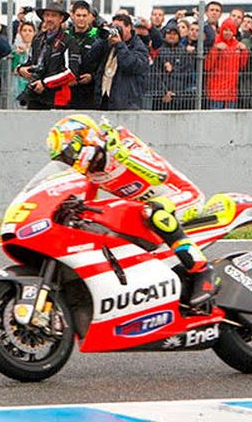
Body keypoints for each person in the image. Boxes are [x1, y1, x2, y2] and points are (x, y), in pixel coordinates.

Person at [46, 114, 217, 311]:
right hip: (143, 211)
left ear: (84, 140)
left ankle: (202, 271)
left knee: (154, 212)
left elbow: (159, 174)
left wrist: (122, 155)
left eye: (67, 155)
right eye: (62, 159)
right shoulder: (91, 173)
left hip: (181, 196)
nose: (67, 162)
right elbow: (85, 202)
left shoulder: (120, 142)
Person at [16, 2, 80, 110]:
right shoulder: (37, 39)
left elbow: (71, 73)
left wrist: (45, 83)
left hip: (57, 100)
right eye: (47, 15)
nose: (49, 19)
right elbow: (31, 62)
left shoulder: (69, 41)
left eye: (54, 15)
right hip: (35, 96)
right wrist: (21, 69)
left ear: (61, 19)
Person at [88, 14, 149, 110]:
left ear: (129, 27)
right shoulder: (108, 43)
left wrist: (120, 45)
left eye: (119, 27)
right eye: (114, 27)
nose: (117, 30)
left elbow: (129, 65)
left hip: (125, 102)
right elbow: (92, 57)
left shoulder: (138, 46)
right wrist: (103, 38)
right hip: (104, 98)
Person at [204, 18, 248, 109]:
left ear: (234, 32)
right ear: (221, 30)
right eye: (225, 30)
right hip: (216, 89)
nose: (228, 33)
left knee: (230, 118)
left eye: (230, 30)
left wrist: (244, 52)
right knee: (215, 117)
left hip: (231, 90)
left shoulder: (237, 45)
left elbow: (242, 66)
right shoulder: (215, 42)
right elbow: (207, 66)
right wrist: (215, 49)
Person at [152, 24, 195, 110]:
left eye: (174, 34)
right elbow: (154, 74)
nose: (171, 36)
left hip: (179, 96)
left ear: (178, 36)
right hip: (161, 98)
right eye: (169, 33)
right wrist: (163, 92)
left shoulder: (183, 52)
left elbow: (187, 73)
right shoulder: (159, 51)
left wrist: (173, 70)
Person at [66, 0, 98, 109]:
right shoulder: (65, 36)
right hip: (68, 89)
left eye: (84, 15)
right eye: (78, 15)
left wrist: (92, 76)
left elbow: (104, 62)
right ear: (73, 16)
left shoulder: (97, 35)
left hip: (90, 90)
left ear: (89, 16)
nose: (81, 18)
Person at [11, 21, 35, 106]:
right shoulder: (15, 50)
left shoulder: (38, 49)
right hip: (17, 87)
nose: (27, 33)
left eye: (30, 30)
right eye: (24, 30)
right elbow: (13, 69)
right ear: (20, 33)